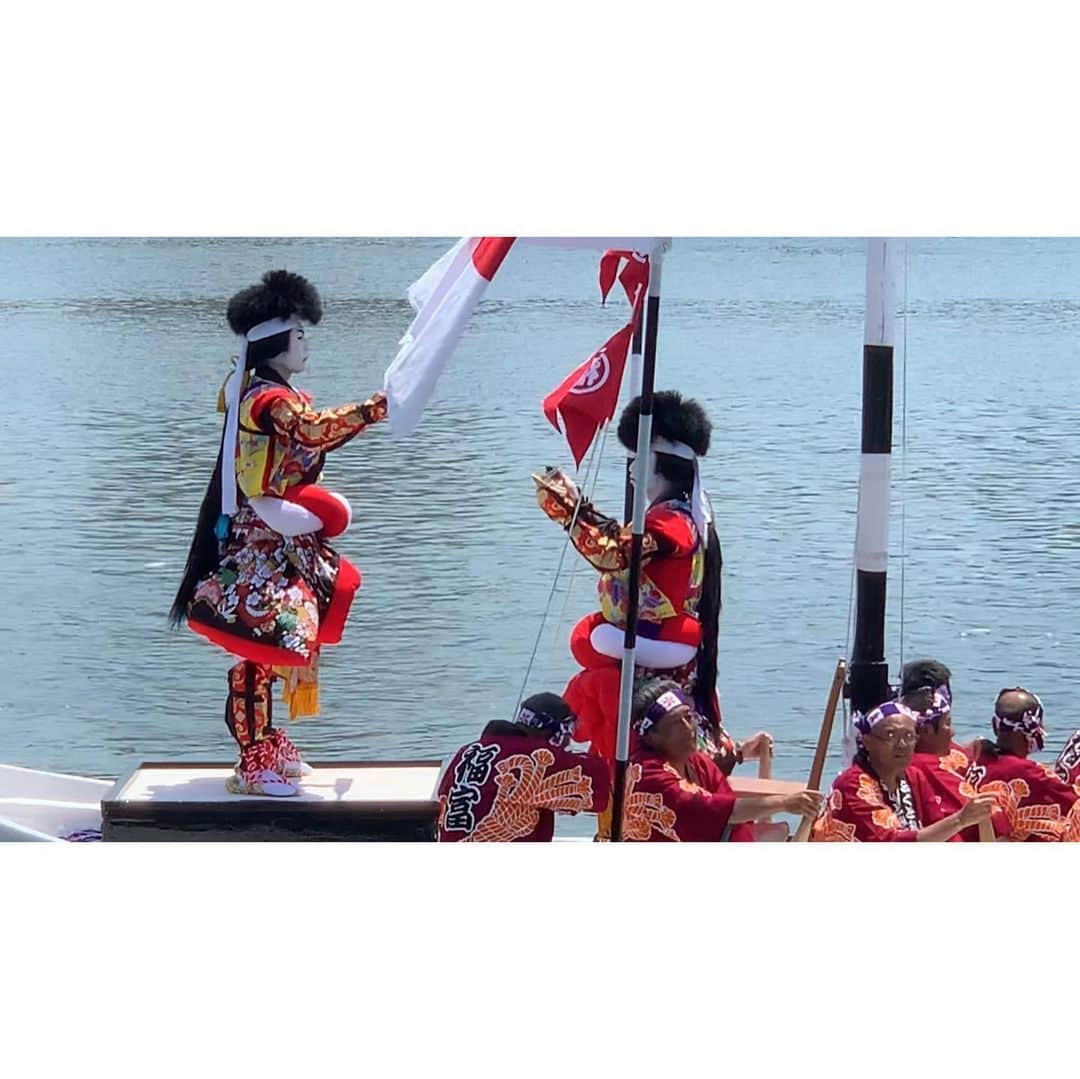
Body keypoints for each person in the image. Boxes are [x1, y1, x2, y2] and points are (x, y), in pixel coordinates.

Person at [170, 270, 388, 796]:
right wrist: (373, 409)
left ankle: (267, 739)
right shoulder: (265, 401)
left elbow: (313, 437)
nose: (307, 344)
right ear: (274, 343)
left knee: (277, 643)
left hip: (286, 535)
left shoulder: (273, 392)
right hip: (261, 539)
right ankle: (251, 759)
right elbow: (313, 431)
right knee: (260, 642)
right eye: (299, 335)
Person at [533, 391, 771, 827]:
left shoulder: (672, 523)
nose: (630, 469)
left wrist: (569, 509)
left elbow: (614, 553)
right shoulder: (678, 516)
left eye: (636, 459)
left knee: (635, 751)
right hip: (655, 654)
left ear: (659, 463)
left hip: (652, 661)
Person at [620, 680, 820, 842]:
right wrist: (785, 802)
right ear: (651, 736)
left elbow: (729, 803)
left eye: (688, 717)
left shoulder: (696, 762)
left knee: (779, 831)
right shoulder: (649, 774)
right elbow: (724, 811)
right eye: (675, 723)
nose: (688, 728)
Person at [437, 693, 611, 842]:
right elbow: (600, 784)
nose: (569, 742)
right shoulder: (533, 756)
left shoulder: (467, 751)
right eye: (570, 731)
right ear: (558, 732)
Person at [813, 701, 995, 842]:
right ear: (867, 741)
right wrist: (960, 820)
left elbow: (939, 828)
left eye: (908, 737)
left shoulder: (914, 776)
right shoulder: (852, 784)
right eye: (891, 735)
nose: (901, 745)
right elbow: (891, 842)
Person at [900, 661, 1011, 840]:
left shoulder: (900, 756)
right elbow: (997, 827)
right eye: (948, 723)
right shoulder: (926, 765)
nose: (952, 732)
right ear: (925, 730)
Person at [965, 688, 1080, 841]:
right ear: (1036, 731)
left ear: (994, 725)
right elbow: (1072, 799)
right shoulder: (1032, 773)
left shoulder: (976, 751)